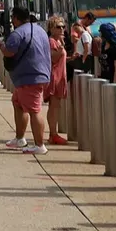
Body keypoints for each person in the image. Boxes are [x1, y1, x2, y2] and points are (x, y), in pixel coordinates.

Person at [2, 6, 51, 153]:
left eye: (12, 18)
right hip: (38, 75)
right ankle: (20, 138)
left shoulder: (17, 33)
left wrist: (1, 47)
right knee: (17, 103)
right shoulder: (40, 30)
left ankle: (39, 145)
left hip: (30, 78)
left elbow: (10, 52)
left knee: (34, 110)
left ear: (16, 18)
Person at [45, 16, 70, 144]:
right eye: (58, 27)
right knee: (54, 106)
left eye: (63, 27)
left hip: (60, 75)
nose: (61, 29)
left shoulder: (58, 41)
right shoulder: (52, 41)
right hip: (55, 76)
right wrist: (61, 50)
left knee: (56, 106)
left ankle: (53, 133)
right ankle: (53, 134)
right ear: (51, 29)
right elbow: (53, 58)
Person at [97, 21, 116, 85]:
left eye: (101, 32)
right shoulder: (103, 44)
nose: (100, 34)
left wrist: (114, 84)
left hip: (115, 80)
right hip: (104, 78)